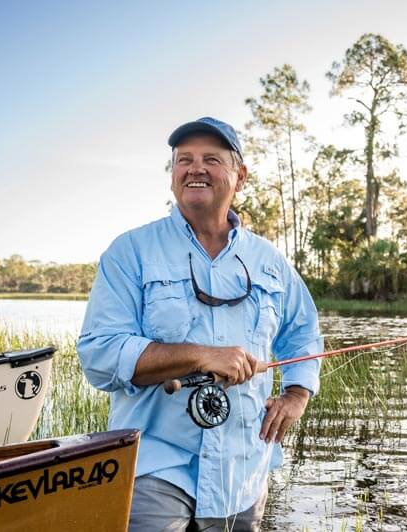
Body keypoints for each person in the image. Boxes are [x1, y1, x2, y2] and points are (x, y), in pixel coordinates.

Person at [77, 116, 322, 531]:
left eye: (212, 158)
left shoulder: (270, 262)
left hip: (243, 469)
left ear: (239, 176)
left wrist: (296, 394)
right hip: (154, 463)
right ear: (173, 175)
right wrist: (201, 356)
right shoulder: (130, 252)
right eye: (184, 159)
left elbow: (304, 334)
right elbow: (99, 354)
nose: (196, 168)